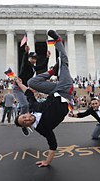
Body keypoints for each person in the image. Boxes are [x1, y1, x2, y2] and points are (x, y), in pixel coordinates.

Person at [14, 30, 73, 167]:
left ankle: (52, 71)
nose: (27, 119)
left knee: (31, 83)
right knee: (64, 62)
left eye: (24, 117)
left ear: (26, 113)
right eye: (25, 122)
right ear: (28, 126)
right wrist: (47, 161)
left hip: (53, 91)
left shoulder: (33, 108)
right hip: (65, 92)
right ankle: (58, 40)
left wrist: (19, 83)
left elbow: (29, 93)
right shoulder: (42, 128)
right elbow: (53, 143)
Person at [13, 45, 50, 135]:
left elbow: (43, 65)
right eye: (32, 58)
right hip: (18, 88)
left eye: (35, 58)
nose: (33, 60)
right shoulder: (26, 64)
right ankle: (23, 124)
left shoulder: (33, 68)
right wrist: (25, 53)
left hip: (25, 88)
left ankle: (30, 121)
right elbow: (23, 61)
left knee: (31, 105)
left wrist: (47, 57)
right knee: (25, 105)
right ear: (29, 58)